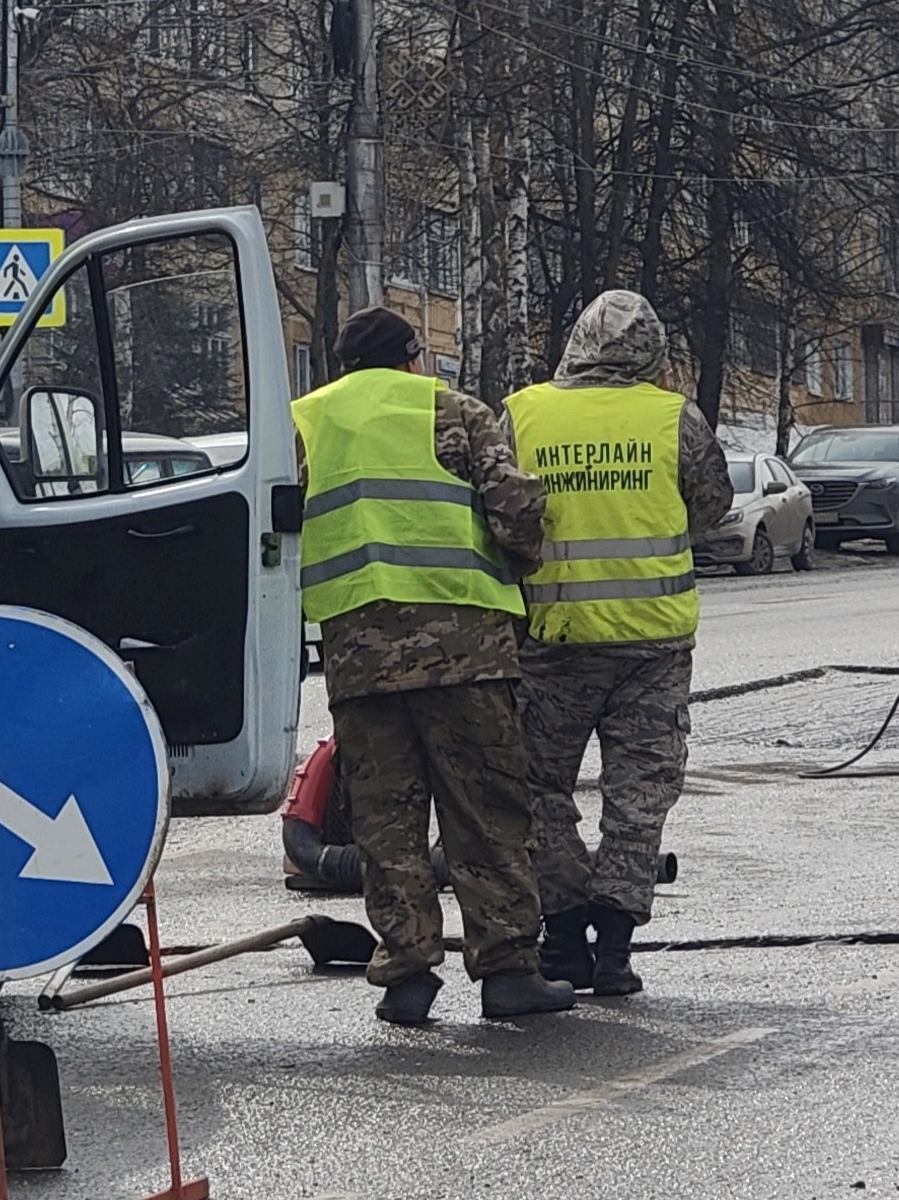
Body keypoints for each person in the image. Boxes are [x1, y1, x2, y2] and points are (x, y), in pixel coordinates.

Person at [292, 304, 573, 1026]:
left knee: (386, 823)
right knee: (488, 815)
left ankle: (408, 976)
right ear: (413, 356)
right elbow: (515, 513)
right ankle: (508, 971)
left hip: (358, 656)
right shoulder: (455, 411)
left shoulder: (307, 421)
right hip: (467, 652)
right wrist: (524, 564)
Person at [508, 291, 730, 997]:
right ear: (653, 355)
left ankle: (564, 933)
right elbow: (712, 506)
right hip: (653, 646)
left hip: (553, 642)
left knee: (539, 790)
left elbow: (498, 513)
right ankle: (616, 951)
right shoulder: (674, 418)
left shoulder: (524, 413)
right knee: (638, 798)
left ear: (575, 343)